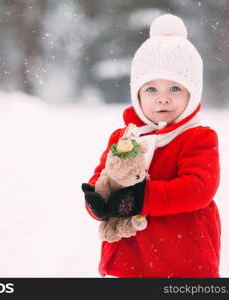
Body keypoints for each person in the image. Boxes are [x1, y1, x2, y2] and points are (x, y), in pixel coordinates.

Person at [81, 14, 221, 278]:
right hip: (130, 261)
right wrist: (98, 201)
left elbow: (198, 189)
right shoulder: (123, 138)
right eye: (151, 90)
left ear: (193, 93)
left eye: (175, 89)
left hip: (183, 261)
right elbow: (104, 176)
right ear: (137, 93)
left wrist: (141, 199)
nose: (163, 99)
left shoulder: (198, 137)